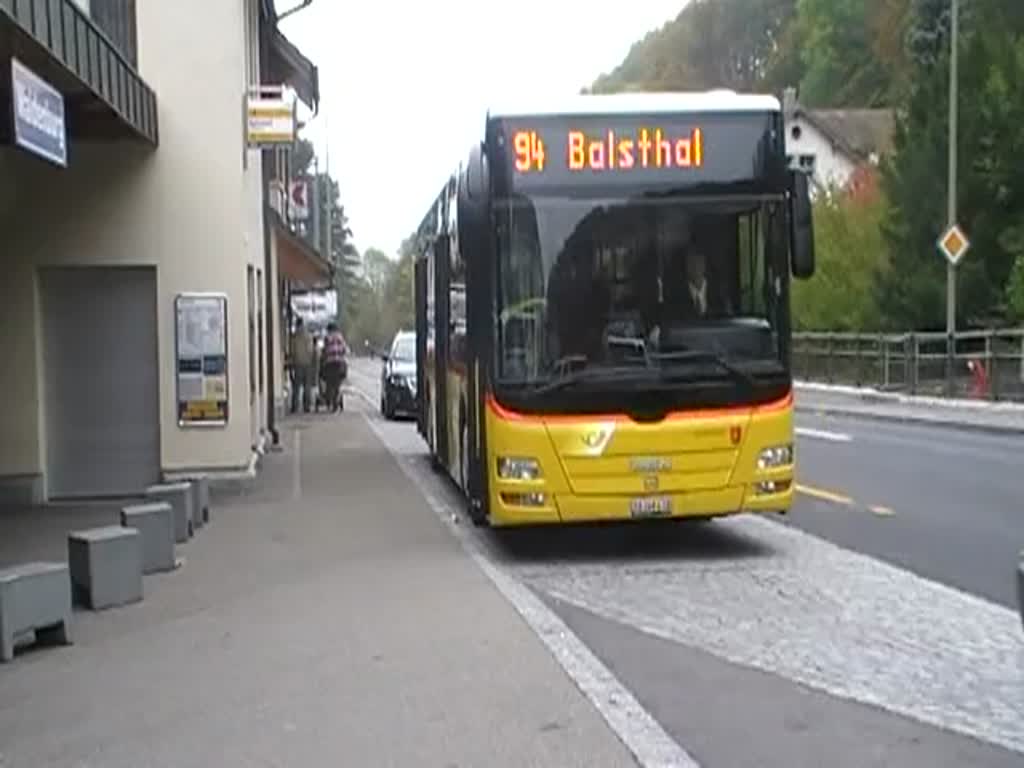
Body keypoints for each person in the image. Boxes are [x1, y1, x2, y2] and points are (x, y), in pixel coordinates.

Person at [321, 322, 349, 413]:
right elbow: (345, 350)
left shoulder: (327, 338)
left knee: (329, 383)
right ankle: (335, 403)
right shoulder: (341, 338)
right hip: (339, 363)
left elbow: (324, 351)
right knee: (337, 383)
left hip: (329, 364)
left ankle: (330, 402)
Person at [289, 318, 315, 413]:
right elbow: (311, 350)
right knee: (307, 386)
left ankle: (295, 406)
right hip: (307, 363)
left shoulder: (295, 337)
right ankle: (306, 406)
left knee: (296, 386)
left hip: (298, 363)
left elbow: (292, 350)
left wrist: (293, 358)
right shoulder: (308, 336)